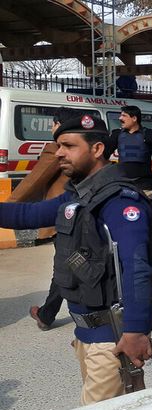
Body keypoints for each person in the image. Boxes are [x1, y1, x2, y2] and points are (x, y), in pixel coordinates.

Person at [0, 115, 152, 404]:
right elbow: (27, 215)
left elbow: (137, 269)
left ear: (97, 149)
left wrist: (137, 331)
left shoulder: (119, 201)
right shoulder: (79, 196)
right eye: (58, 145)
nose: (59, 153)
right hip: (85, 337)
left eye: (68, 146)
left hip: (111, 341)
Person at [10, 107, 81, 331]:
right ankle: (49, 313)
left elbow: (33, 181)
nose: (51, 128)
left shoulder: (57, 149)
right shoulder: (86, 146)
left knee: (65, 267)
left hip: (62, 215)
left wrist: (10, 206)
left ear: (59, 125)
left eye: (53, 124)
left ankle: (47, 314)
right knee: (73, 265)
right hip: (82, 215)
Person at [105, 105, 152, 193]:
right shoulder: (117, 134)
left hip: (144, 186)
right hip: (122, 185)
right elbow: (105, 153)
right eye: (120, 115)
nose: (120, 118)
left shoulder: (150, 134)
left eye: (124, 116)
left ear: (134, 118)